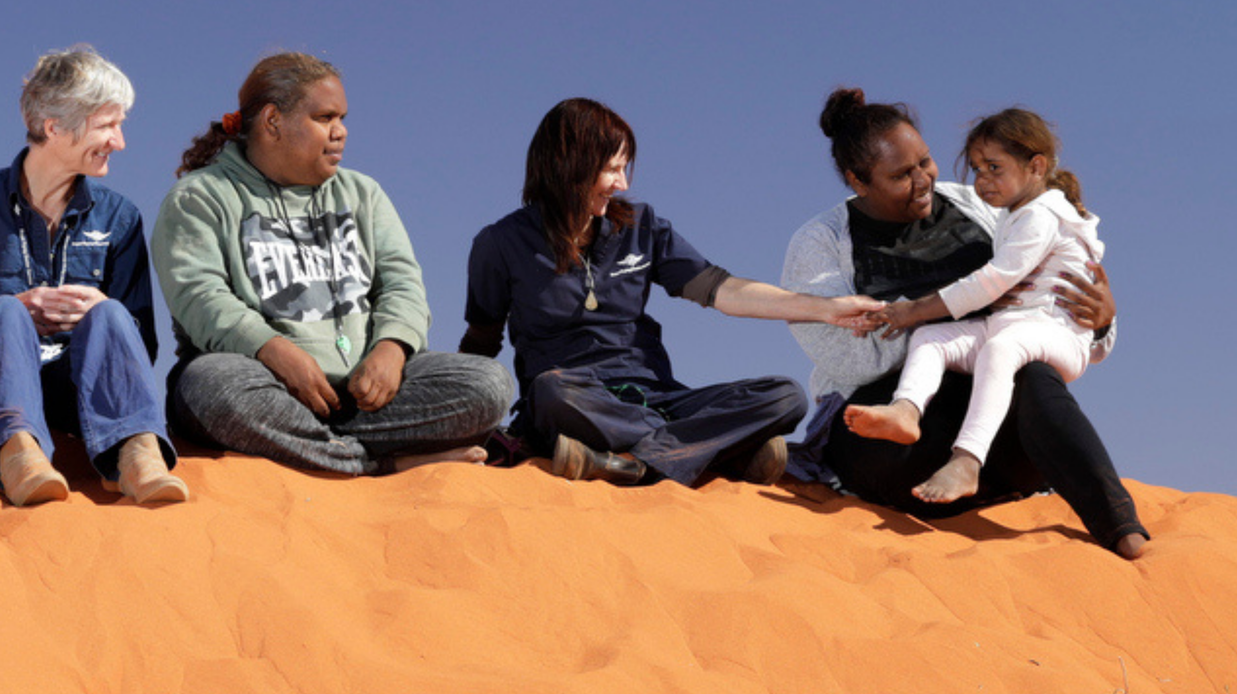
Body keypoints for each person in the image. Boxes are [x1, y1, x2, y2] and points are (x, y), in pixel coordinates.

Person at [783, 88, 1147, 559]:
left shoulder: (982, 205)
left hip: (992, 410)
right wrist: (958, 309)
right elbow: (850, 359)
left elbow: (1049, 313)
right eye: (901, 175)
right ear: (858, 181)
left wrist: (1100, 321)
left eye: (925, 162)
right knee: (994, 355)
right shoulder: (821, 243)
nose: (922, 180)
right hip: (894, 435)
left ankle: (1120, 525)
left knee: (1034, 373)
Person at [460, 98, 881, 488]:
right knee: (551, 393)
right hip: (576, 400)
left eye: (625, 168)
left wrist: (825, 309)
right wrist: (460, 425)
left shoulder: (641, 227)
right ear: (567, 165)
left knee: (785, 396)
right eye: (611, 169)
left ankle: (631, 463)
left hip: (658, 397)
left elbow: (722, 290)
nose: (621, 183)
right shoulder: (500, 244)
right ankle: (711, 452)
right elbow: (481, 343)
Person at [152, 52, 512, 475]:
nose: (340, 132)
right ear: (273, 121)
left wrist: (392, 348)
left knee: (488, 384)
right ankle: (380, 464)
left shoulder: (363, 193)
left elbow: (402, 283)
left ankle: (327, 451)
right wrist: (275, 352)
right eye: (324, 118)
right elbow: (199, 297)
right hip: (266, 387)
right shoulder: (199, 197)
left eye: (341, 118)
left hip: (366, 398)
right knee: (211, 388)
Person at [0, 46, 184, 507]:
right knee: (5, 311)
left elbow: (142, 344)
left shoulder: (120, 217)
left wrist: (101, 312)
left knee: (112, 314)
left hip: (75, 396)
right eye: (107, 125)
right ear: (54, 127)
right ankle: (18, 455)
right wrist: (8, 312)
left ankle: (138, 456)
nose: (120, 141)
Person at [845, 109, 1108, 506]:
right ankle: (906, 410)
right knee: (933, 338)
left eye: (994, 168)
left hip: (1057, 334)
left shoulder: (1042, 214)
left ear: (1036, 167)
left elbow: (991, 281)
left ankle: (967, 460)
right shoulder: (1013, 212)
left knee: (999, 349)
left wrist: (911, 310)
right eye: (977, 169)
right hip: (1012, 325)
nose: (982, 180)